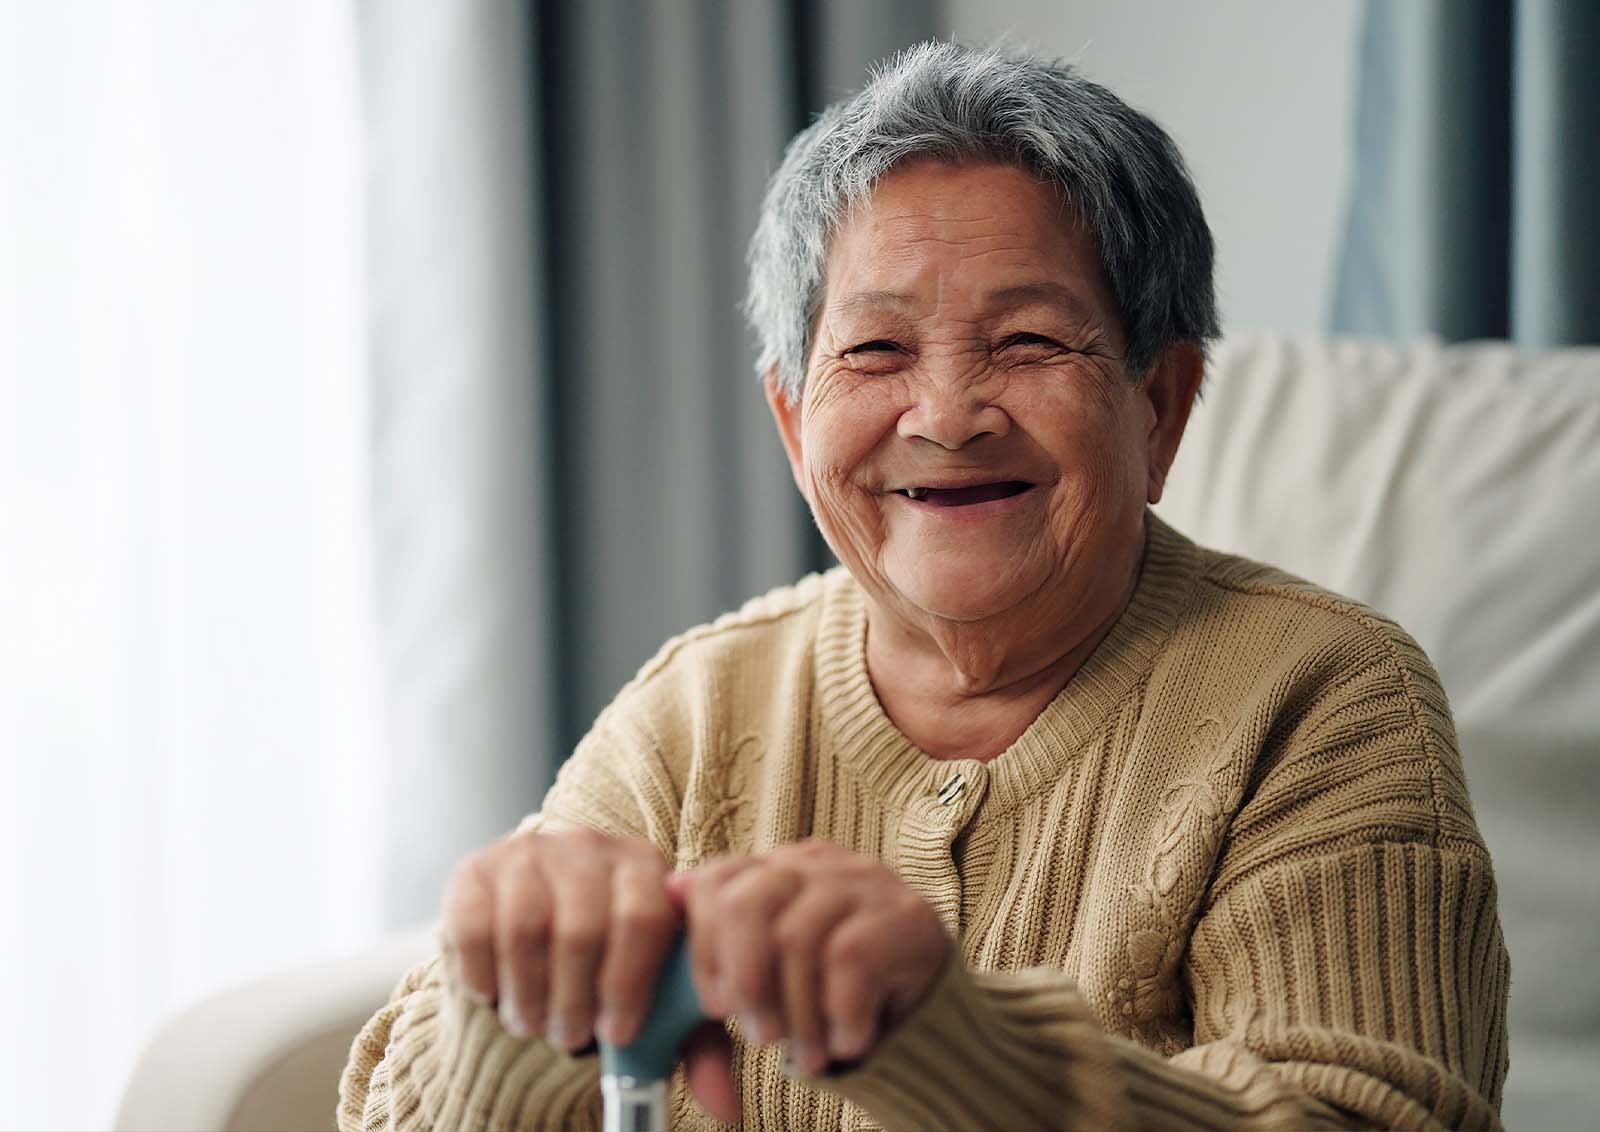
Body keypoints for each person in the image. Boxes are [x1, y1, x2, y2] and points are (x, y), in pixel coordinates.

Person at [339, 40, 1508, 1132]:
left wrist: (951, 1042)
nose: (944, 416)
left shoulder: (1325, 699)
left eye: (1028, 342)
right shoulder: (695, 714)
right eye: (876, 352)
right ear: (794, 420)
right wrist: (515, 1002)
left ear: (1159, 406)